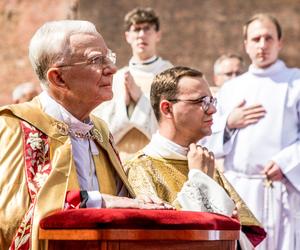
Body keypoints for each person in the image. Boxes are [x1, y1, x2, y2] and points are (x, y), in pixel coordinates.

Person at [0, 20, 172, 250]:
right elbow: (12, 217)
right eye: (95, 60)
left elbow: (120, 200)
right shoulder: (15, 126)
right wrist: (100, 202)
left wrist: (138, 202)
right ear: (58, 78)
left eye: (108, 57)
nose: (111, 68)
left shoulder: (99, 129)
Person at [125, 66, 266, 249]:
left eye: (211, 100)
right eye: (201, 101)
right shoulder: (139, 168)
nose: (213, 109)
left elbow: (238, 236)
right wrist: (199, 180)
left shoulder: (201, 161)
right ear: (167, 108)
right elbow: (162, 240)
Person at [202, 13, 300, 250]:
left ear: (280, 42)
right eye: (256, 39)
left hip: (283, 188)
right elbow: (206, 136)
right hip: (241, 191)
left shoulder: (295, 83)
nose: (262, 45)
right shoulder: (232, 88)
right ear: (246, 44)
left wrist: (287, 162)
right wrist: (228, 123)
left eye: (269, 38)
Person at [93, 7, 172, 161]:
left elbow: (175, 124)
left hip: (158, 161)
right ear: (127, 36)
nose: (141, 35)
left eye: (147, 29)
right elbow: (99, 126)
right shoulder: (116, 76)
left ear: (158, 35)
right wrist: (124, 103)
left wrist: (140, 99)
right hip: (121, 161)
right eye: (136, 29)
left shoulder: (170, 74)